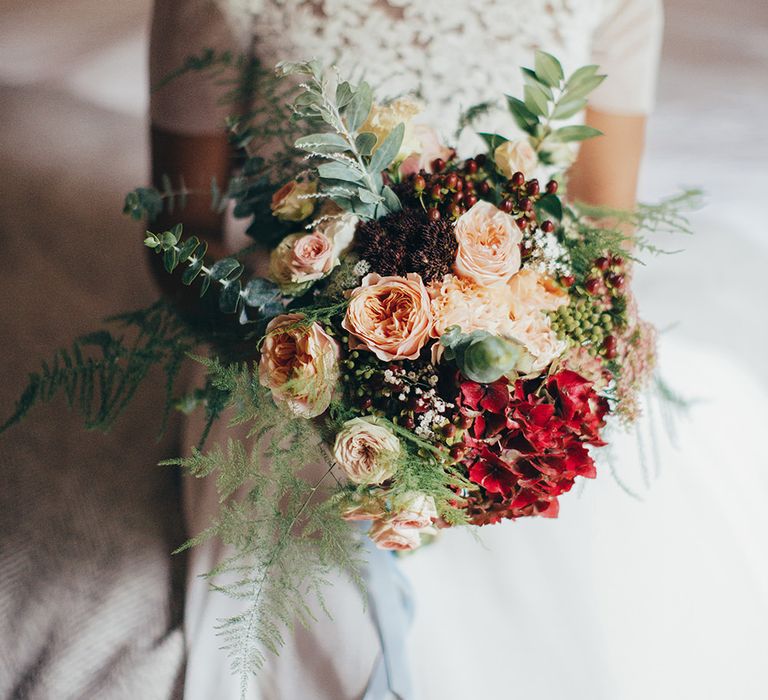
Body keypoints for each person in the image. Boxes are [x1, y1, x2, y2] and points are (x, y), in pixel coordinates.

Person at [149, 1, 664, 698]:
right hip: (288, 352)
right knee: (324, 606)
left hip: (524, 366)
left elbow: (605, 237)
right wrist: (330, 368)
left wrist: (484, 393)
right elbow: (183, 239)